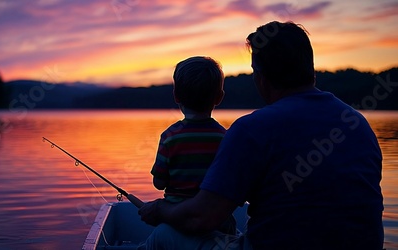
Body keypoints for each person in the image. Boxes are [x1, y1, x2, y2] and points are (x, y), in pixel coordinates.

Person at [138, 21, 384, 250]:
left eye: (255, 70)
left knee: (163, 235)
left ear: (263, 77)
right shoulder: (357, 125)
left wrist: (160, 209)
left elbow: (200, 218)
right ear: (310, 69)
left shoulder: (253, 129)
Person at [150, 56, 235, 234]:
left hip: (175, 219)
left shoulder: (170, 137)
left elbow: (159, 182)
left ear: (176, 96)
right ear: (219, 97)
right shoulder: (226, 138)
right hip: (216, 220)